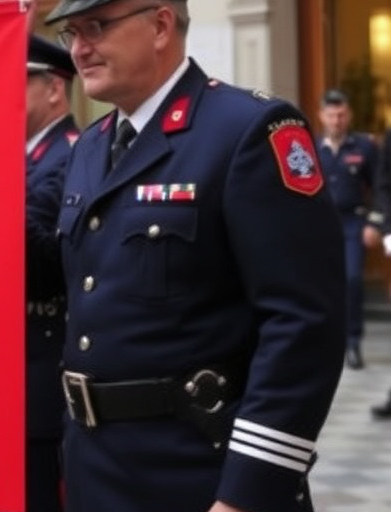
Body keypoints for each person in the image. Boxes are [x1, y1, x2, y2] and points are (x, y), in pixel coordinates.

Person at [45, 1, 345, 511]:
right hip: (96, 469)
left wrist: (247, 492)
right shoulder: (90, 147)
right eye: (71, 33)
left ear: (161, 25)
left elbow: (303, 325)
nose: (79, 48)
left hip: (199, 473)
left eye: (96, 27)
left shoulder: (246, 130)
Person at [22, 33, 77, 512]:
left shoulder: (72, 155)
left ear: (54, 88)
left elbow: (43, 262)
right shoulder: (26, 156)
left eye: (17, 83)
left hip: (41, 379)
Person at [314, 89, 381, 370]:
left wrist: (375, 222)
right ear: (322, 116)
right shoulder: (309, 148)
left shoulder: (364, 147)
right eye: (331, 115)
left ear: (349, 115)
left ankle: (353, 342)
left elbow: (380, 186)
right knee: (320, 286)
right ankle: (325, 344)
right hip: (319, 224)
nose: (337, 120)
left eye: (341, 114)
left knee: (352, 280)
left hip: (353, 222)